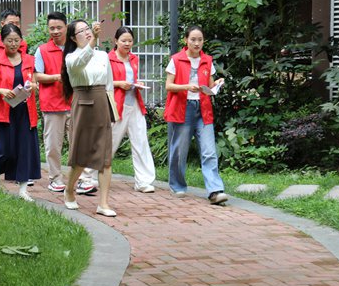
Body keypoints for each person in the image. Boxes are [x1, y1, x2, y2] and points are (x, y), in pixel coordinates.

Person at [79, 26, 156, 193]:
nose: (127, 44)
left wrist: (138, 84)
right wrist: (120, 84)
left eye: (130, 40)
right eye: (123, 41)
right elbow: (99, 81)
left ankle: (144, 181)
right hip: (115, 106)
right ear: (116, 41)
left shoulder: (134, 59)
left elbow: (132, 78)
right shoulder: (107, 59)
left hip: (134, 104)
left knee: (141, 141)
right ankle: (87, 176)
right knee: (107, 143)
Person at [164, 25, 229, 205]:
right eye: (193, 39)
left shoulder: (207, 60)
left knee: (209, 151)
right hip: (182, 108)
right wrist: (186, 86)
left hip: (203, 109)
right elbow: (169, 86)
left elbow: (209, 85)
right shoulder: (176, 60)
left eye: (200, 39)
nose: (196, 43)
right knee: (180, 150)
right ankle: (177, 185)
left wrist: (217, 83)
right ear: (186, 40)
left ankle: (215, 190)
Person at [61, 20, 117, 217]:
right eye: (81, 31)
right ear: (72, 38)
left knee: (105, 156)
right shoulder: (71, 58)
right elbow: (81, 62)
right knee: (81, 155)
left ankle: (103, 203)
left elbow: (109, 83)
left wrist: (112, 109)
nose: (86, 33)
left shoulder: (102, 55)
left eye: (87, 29)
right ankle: (69, 190)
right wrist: (93, 40)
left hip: (102, 101)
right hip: (83, 103)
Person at [0, 24, 41, 201]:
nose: (13, 44)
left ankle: (23, 189)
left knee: (24, 149)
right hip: (5, 111)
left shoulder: (30, 60)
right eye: (9, 40)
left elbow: (36, 85)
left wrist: (32, 86)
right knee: (4, 150)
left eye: (17, 40)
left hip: (25, 111)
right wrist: (2, 91)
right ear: (2, 41)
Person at [33, 12, 79, 193]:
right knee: (53, 145)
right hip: (52, 105)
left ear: (66, 27)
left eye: (59, 27)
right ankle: (55, 178)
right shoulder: (42, 50)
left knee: (78, 143)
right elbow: (37, 75)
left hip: (75, 102)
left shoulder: (75, 48)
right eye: (51, 28)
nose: (55, 31)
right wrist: (56, 77)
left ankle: (79, 178)